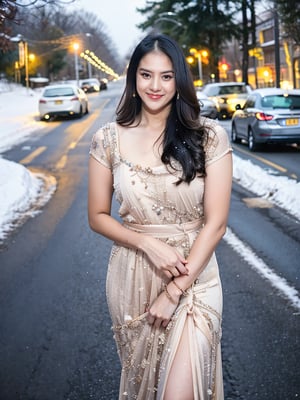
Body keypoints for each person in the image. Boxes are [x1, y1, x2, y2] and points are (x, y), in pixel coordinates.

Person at [88, 33, 232, 400]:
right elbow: (97, 216)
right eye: (146, 74)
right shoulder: (108, 139)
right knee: (143, 387)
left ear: (179, 80)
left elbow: (216, 224)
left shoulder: (208, 136)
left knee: (177, 391)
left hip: (193, 274)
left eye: (167, 76)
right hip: (133, 274)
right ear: (133, 78)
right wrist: (146, 243)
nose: (155, 85)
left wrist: (174, 291)